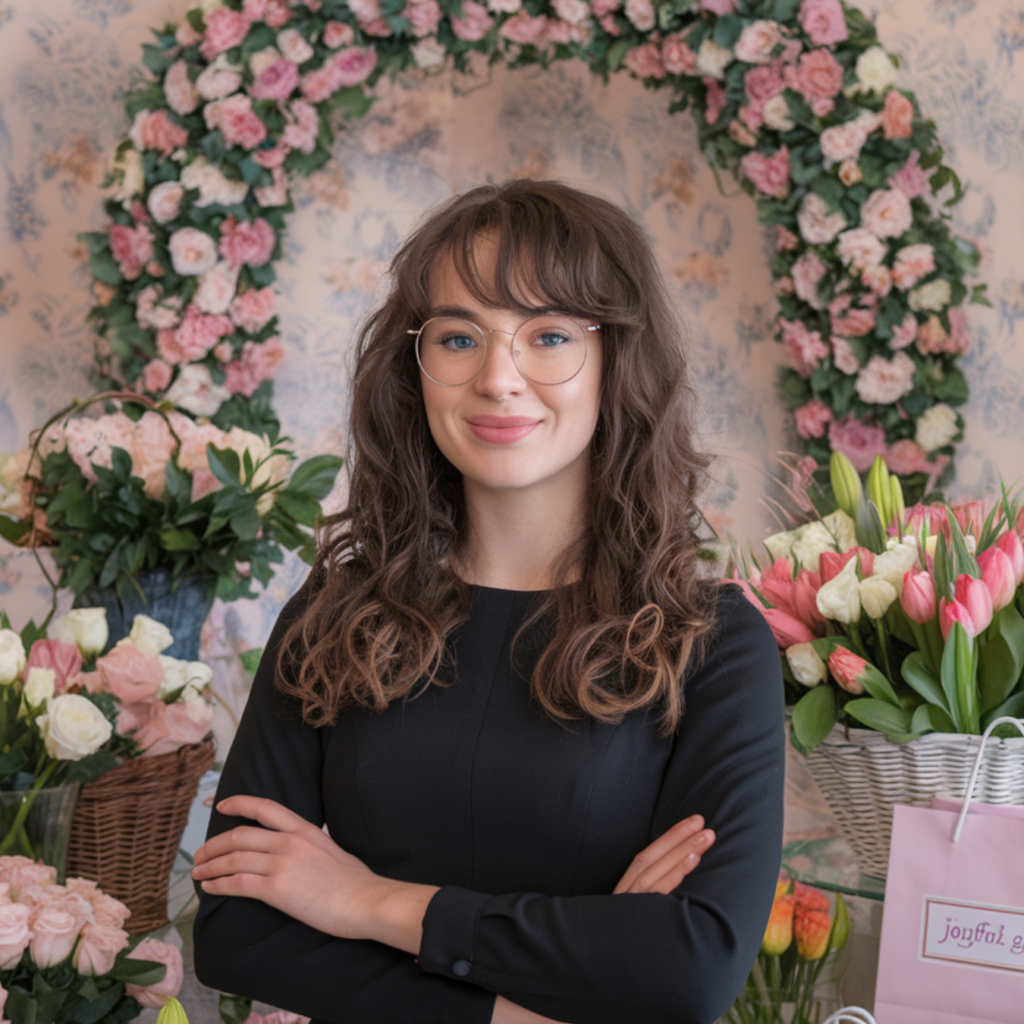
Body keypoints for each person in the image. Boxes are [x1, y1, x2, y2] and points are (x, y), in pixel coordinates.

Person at [191, 179, 785, 1024]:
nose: (498, 379)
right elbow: (237, 934)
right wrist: (548, 995)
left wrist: (368, 904)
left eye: (548, 336)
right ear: (416, 364)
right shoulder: (334, 615)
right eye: (460, 336)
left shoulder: (713, 644)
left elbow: (688, 968)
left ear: (619, 359)